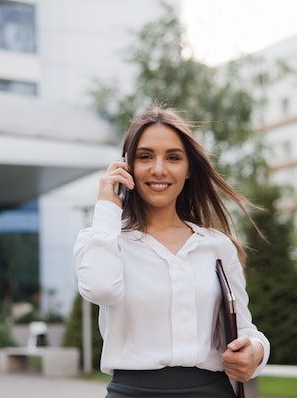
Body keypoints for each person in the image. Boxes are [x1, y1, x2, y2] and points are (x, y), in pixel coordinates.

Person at [74, 107, 270, 397]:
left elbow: (244, 330)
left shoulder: (216, 246)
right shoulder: (104, 239)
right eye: (145, 156)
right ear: (126, 166)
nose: (158, 168)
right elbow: (101, 290)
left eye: (173, 157)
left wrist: (256, 351)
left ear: (189, 168)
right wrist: (106, 207)